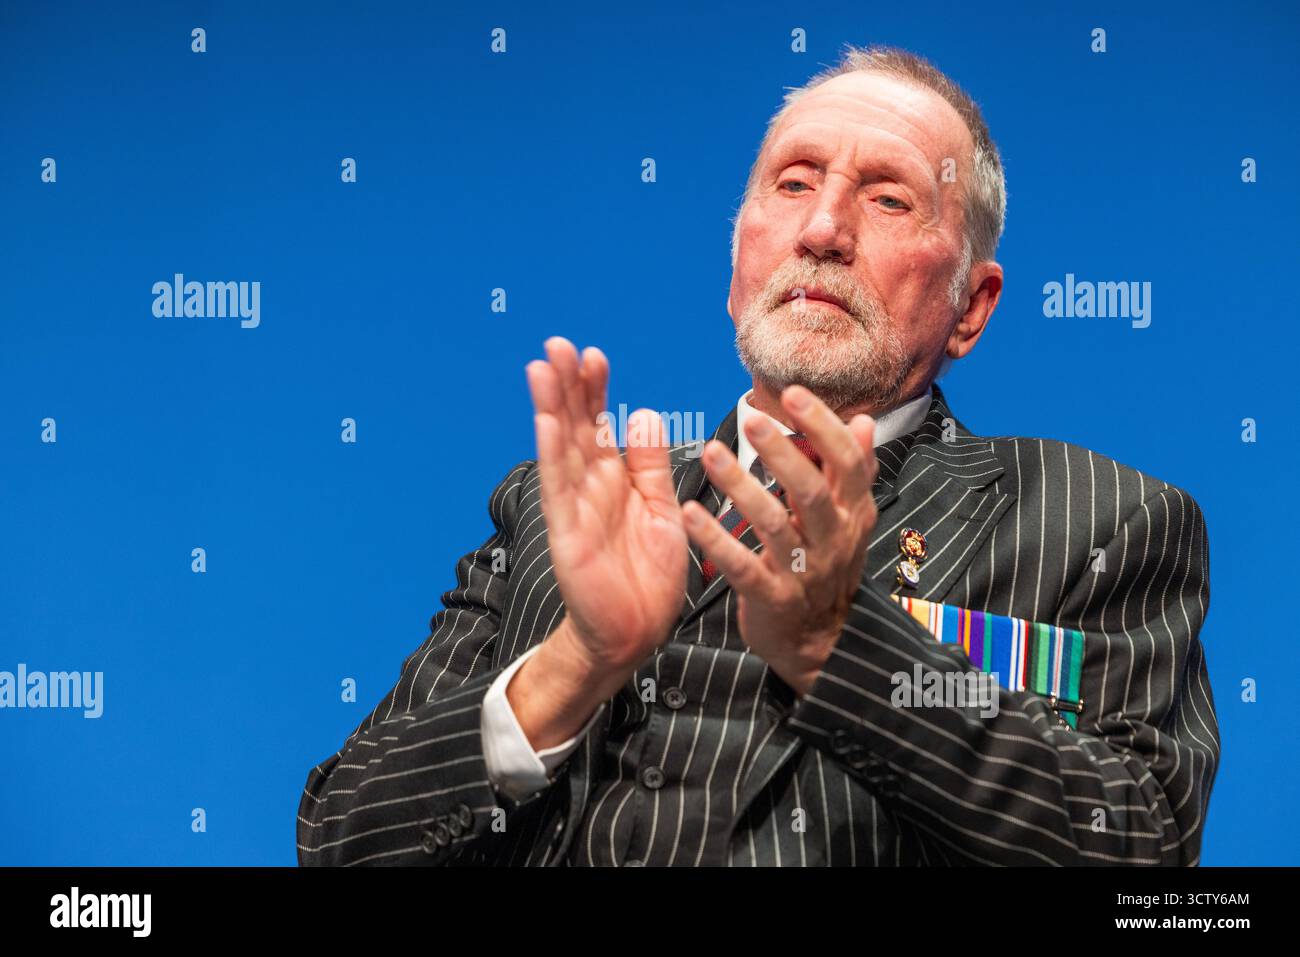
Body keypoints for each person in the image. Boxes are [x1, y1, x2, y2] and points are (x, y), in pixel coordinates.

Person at [296, 45, 1219, 866]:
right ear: (738, 261)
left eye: (889, 197)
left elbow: (1140, 844)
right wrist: (574, 665)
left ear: (971, 306)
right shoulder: (552, 507)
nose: (823, 229)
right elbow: (339, 836)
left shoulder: (1104, 520)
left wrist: (838, 647)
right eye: (792, 183)